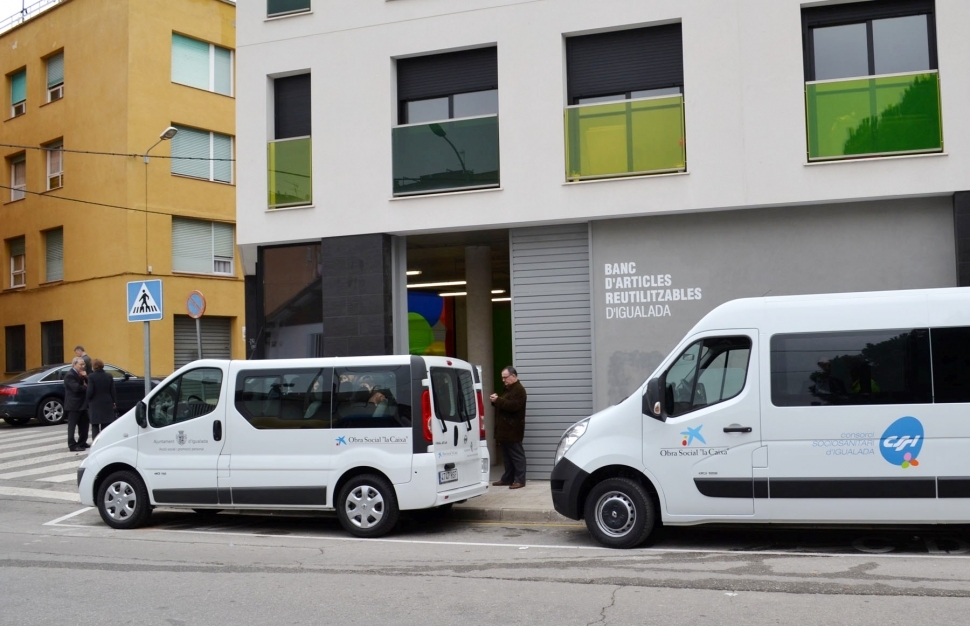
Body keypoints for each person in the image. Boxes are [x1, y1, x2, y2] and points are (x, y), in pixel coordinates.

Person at [490, 366, 527, 489]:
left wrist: (498, 400)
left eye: (505, 377)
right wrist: (496, 401)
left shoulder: (519, 390)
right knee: (507, 456)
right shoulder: (509, 389)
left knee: (517, 456)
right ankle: (507, 478)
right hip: (506, 430)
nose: (503, 380)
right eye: (502, 378)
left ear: (513, 376)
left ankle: (520, 480)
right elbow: (505, 404)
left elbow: (513, 406)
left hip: (513, 430)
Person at [86, 358, 117, 438]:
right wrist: (114, 401)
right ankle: (104, 441)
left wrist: (87, 400)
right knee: (105, 425)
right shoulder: (109, 376)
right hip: (107, 402)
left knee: (95, 425)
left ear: (93, 366)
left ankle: (96, 441)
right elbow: (112, 390)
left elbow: (90, 391)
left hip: (95, 403)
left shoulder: (91, 376)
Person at [64, 356, 90, 451]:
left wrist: (86, 377)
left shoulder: (82, 374)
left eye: (84, 364)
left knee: (84, 424)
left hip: (83, 403)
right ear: (74, 364)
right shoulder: (70, 375)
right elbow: (76, 388)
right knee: (72, 426)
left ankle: (82, 442)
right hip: (73, 405)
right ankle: (72, 445)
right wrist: (85, 387)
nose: (83, 366)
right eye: (81, 364)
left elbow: (90, 384)